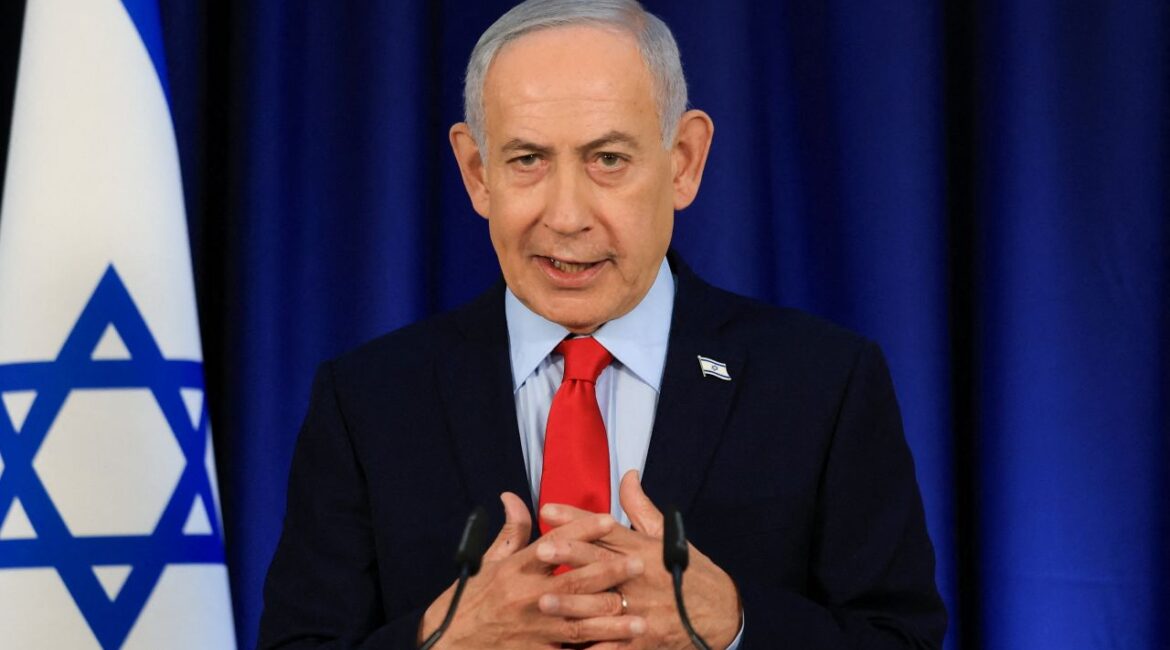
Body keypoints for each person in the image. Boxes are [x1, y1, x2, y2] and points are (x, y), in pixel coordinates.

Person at [257, 1, 947, 648]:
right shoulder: (369, 399)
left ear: (684, 163)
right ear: (477, 172)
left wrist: (734, 624)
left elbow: (901, 636)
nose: (565, 215)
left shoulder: (822, 381)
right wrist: (443, 637)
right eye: (528, 160)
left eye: (607, 159)